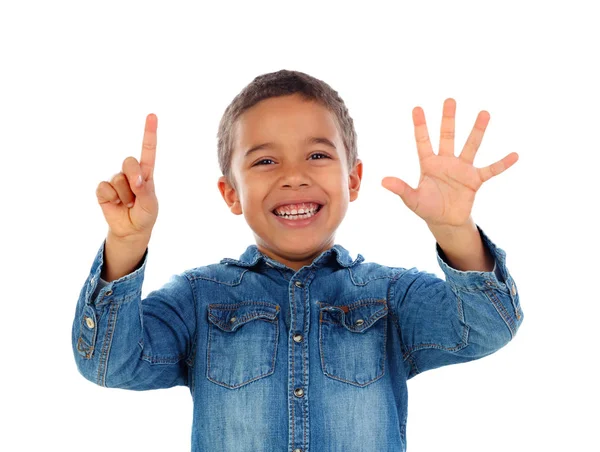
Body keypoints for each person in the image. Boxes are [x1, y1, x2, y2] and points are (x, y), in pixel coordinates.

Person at [72, 69, 523, 452]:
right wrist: (126, 243)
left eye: (317, 155)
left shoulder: (390, 295)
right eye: (266, 160)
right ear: (231, 193)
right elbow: (109, 363)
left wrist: (453, 230)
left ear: (353, 179)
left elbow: (488, 327)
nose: (294, 176)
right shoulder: (198, 298)